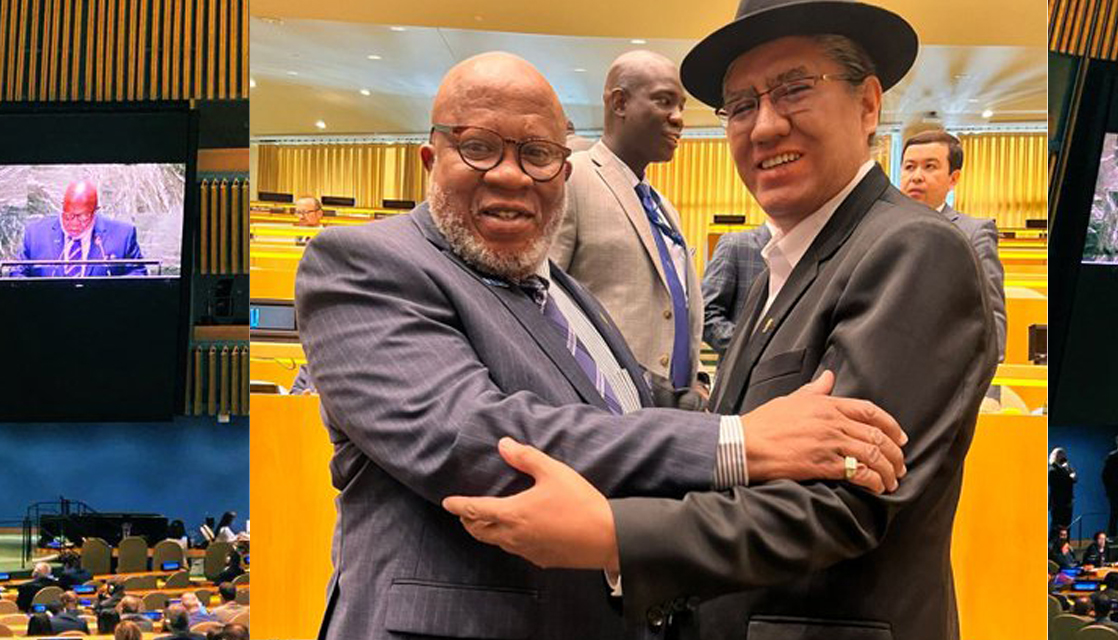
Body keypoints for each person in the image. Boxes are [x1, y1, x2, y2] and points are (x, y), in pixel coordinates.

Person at [294, 50, 909, 640]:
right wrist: (741, 441)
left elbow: (633, 402)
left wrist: (779, 416)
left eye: (537, 154)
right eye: (479, 147)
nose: (511, 175)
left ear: (564, 172)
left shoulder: (555, 285)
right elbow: (480, 436)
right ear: (431, 158)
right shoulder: (362, 265)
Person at [442, 1, 998, 637]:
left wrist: (611, 534)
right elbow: (736, 438)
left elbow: (844, 504)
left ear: (868, 104)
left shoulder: (912, 249)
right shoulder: (779, 268)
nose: (763, 128)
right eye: (740, 107)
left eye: (793, 90)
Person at [550, 50, 703, 392]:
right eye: (664, 101)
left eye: (681, 105)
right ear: (619, 103)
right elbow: (542, 307)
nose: (678, 118)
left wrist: (698, 380)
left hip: (675, 412)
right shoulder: (573, 179)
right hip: (603, 407)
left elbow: (674, 305)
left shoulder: (663, 206)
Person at [900, 129, 1007, 360]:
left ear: (953, 178)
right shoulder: (879, 228)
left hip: (948, 370)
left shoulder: (975, 232)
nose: (916, 176)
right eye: (909, 167)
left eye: (929, 167)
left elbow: (992, 320)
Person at [14, 180, 147, 278]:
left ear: (95, 211)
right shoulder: (35, 233)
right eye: (69, 216)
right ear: (62, 207)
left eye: (83, 217)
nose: (74, 223)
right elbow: (17, 273)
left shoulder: (123, 235)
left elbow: (139, 274)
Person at [700, 224, 771, 357]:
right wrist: (751, 351)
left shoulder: (814, 252)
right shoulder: (736, 245)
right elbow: (706, 313)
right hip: (742, 373)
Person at [1050, 446, 1077, 531]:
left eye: (1064, 454)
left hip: (1067, 502)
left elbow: (1074, 479)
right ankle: (1053, 544)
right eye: (1061, 454)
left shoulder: (1065, 468)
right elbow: (1061, 484)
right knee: (1057, 526)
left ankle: (1065, 544)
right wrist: (1070, 477)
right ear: (1056, 456)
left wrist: (1071, 473)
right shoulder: (1052, 469)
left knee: (1067, 526)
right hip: (1058, 503)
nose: (1064, 457)